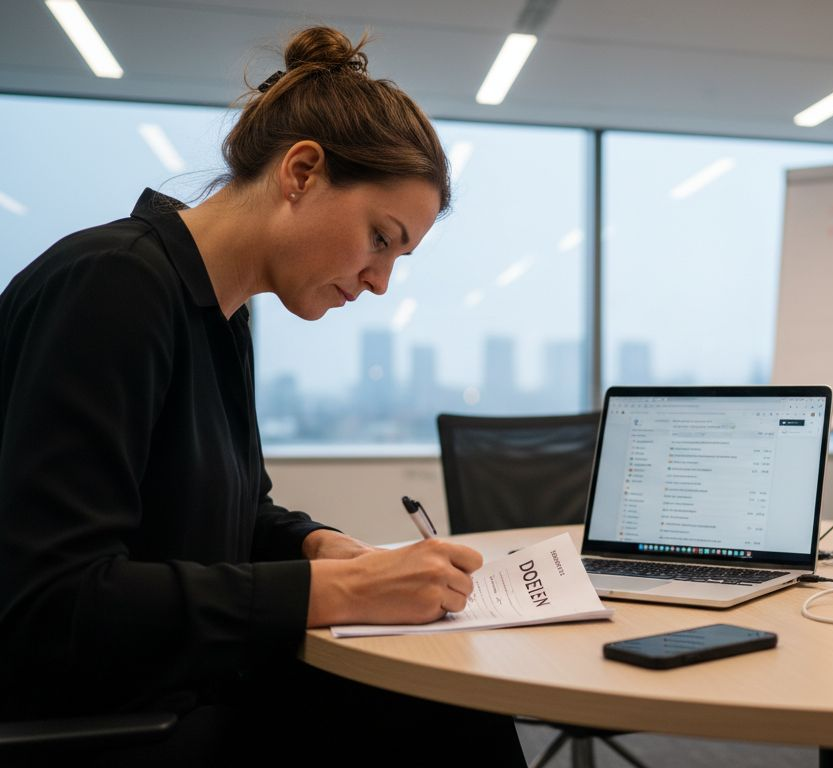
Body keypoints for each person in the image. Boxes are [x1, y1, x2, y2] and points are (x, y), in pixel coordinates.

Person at [0, 25, 526, 765]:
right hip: (112, 718)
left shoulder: (219, 313)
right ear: (302, 172)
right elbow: (54, 606)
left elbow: (234, 510)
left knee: (454, 702)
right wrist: (337, 591)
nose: (380, 282)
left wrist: (323, 547)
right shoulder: (111, 286)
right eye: (381, 238)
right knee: (442, 723)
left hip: (183, 680)